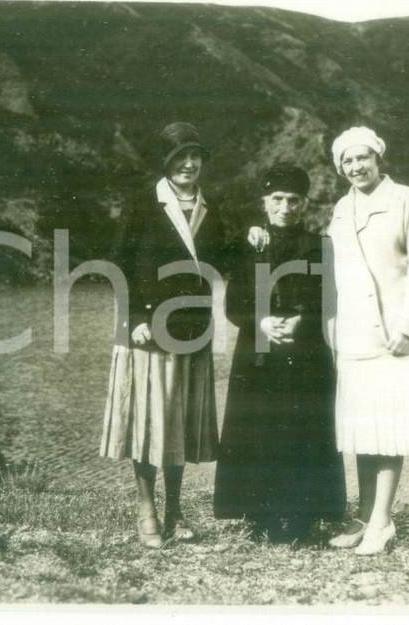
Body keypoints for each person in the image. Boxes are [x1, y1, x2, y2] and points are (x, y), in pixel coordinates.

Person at [99, 122, 225, 549]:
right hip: (148, 329)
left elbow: (226, 260)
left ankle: (175, 510)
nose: (189, 164)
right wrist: (133, 317)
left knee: (179, 426)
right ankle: (146, 509)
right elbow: (117, 267)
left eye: (195, 156)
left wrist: (256, 234)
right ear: (166, 162)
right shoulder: (143, 205)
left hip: (194, 330)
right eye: (179, 157)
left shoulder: (211, 208)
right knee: (148, 424)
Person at [322, 126, 409, 555]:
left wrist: (408, 323)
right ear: (340, 168)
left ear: (378, 159)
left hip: (396, 334)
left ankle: (382, 521)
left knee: (389, 429)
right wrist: (332, 327)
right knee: (363, 428)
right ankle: (363, 515)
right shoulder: (341, 208)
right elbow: (335, 272)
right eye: (348, 161)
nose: (357, 167)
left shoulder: (405, 199)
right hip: (355, 334)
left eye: (363, 158)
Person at [213, 163, 346, 543]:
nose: (285, 207)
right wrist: (262, 321)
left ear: (304, 204)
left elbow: (330, 299)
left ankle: (303, 518)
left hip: (307, 353)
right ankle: (261, 516)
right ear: (265, 202)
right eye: (277, 199)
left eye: (293, 200)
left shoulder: (321, 246)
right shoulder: (251, 244)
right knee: (259, 430)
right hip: (257, 352)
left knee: (304, 429)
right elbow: (234, 303)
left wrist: (302, 320)